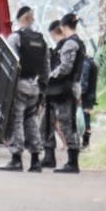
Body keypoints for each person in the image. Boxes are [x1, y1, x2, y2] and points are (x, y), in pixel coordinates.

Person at [0, 6, 49, 173]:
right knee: (31, 121)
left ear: (19, 19)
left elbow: (8, 63)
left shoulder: (16, 38)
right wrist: (42, 87)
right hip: (34, 86)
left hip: (18, 85)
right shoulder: (42, 40)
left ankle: (16, 158)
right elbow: (46, 66)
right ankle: (35, 160)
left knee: (17, 120)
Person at [46, 13, 86, 174]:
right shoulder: (79, 43)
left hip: (65, 89)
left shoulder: (70, 44)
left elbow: (65, 67)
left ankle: (72, 162)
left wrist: (49, 76)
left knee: (67, 123)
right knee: (67, 123)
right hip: (71, 87)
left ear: (62, 27)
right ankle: (71, 161)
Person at [40, 19, 63, 168]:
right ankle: (49, 157)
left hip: (61, 91)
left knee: (64, 125)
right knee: (46, 124)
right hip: (54, 91)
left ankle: (71, 160)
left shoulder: (66, 48)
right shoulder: (59, 49)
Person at [80, 53, 98, 148]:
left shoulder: (85, 64)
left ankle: (85, 143)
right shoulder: (91, 62)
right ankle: (85, 143)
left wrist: (79, 95)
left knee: (85, 119)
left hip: (86, 96)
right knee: (86, 118)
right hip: (90, 95)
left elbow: (84, 83)